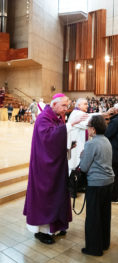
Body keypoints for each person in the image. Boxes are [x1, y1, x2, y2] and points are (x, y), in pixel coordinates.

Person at [23, 93, 87, 245]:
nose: (66, 109)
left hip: (56, 164)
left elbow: (58, 138)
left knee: (58, 193)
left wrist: (68, 145)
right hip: (44, 167)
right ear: (53, 105)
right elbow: (48, 137)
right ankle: (42, 231)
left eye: (67, 105)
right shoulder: (43, 118)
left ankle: (56, 227)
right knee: (47, 195)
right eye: (64, 105)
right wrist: (70, 125)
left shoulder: (57, 117)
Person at [80, 115, 115, 256]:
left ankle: (94, 248)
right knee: (104, 214)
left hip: (96, 183)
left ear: (93, 129)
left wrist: (82, 156)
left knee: (93, 216)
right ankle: (104, 243)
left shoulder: (91, 143)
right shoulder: (106, 140)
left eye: (89, 127)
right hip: (108, 182)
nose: (88, 130)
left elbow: (83, 167)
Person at [67, 98, 89, 174]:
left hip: (77, 143)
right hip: (76, 145)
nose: (87, 105)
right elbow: (88, 124)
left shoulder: (77, 112)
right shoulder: (78, 114)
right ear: (79, 105)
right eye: (85, 104)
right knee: (74, 167)